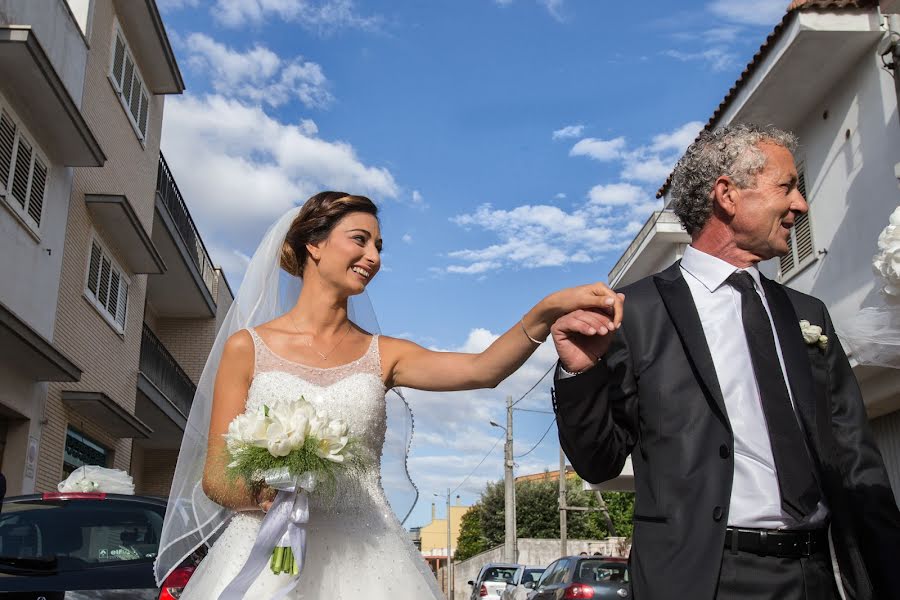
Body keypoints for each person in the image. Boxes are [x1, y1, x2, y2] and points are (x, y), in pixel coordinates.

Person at [156, 191, 622, 599]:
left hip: (368, 556)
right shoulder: (247, 348)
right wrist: (272, 494)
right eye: (360, 239)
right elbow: (216, 475)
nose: (374, 256)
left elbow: (483, 370)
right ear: (313, 245)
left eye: (378, 246)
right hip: (263, 553)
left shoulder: (385, 355)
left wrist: (546, 311)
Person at [550, 124, 900, 600]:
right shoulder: (636, 313)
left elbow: (857, 458)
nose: (801, 204)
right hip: (703, 578)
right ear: (727, 195)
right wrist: (578, 373)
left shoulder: (808, 315)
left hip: (817, 574)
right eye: (787, 186)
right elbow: (599, 461)